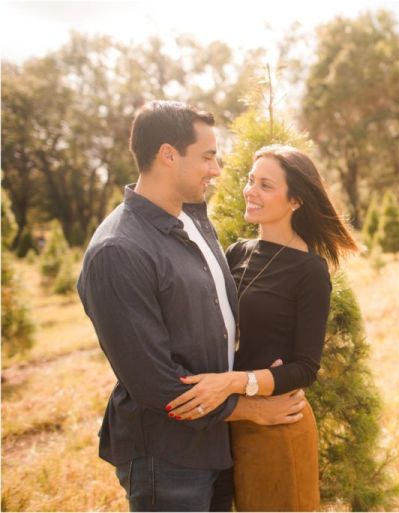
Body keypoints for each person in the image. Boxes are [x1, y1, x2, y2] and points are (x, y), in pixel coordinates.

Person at [77, 101, 307, 512]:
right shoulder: (118, 251)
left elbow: (213, 321)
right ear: (168, 155)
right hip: (167, 458)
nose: (216, 170)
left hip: (216, 443)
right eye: (207, 156)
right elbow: (157, 385)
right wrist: (255, 409)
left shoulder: (193, 218)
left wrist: (257, 371)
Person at [165, 144, 359, 511]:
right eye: (251, 180)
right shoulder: (237, 252)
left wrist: (234, 382)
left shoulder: (310, 271)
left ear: (296, 200)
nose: (251, 191)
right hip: (226, 423)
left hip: (276, 425)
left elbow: (305, 368)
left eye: (266, 185)